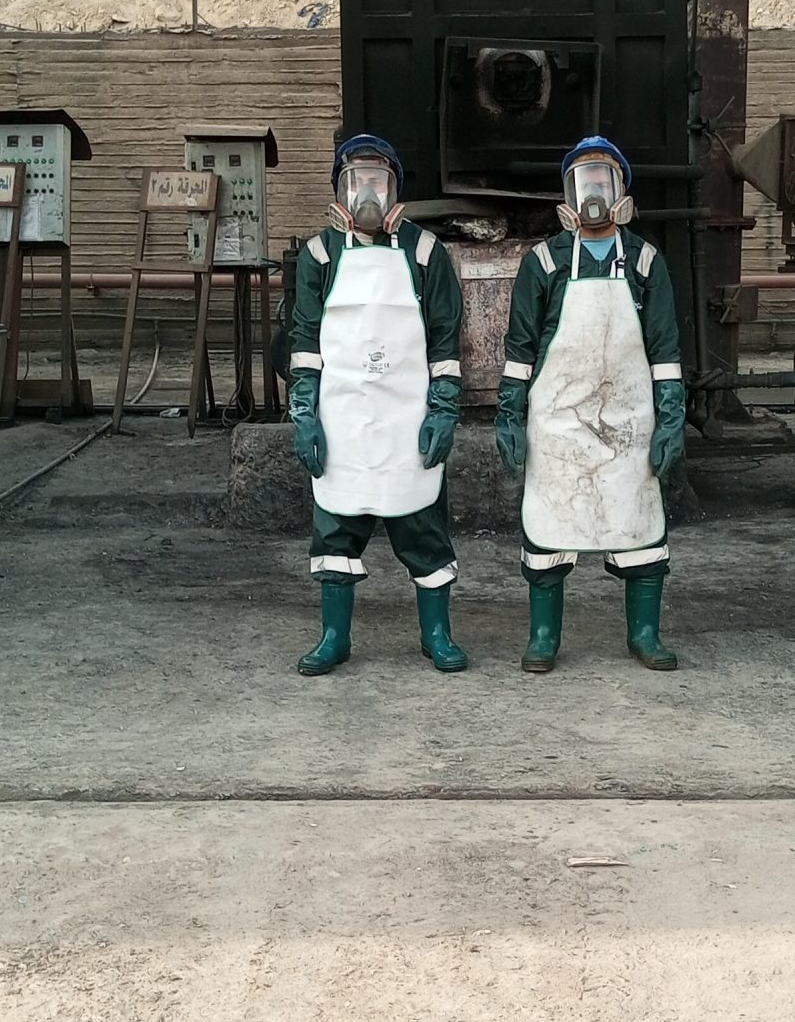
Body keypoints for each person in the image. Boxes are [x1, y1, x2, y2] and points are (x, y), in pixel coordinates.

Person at [493, 137, 685, 674]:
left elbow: (664, 350)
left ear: (622, 191)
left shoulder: (645, 261)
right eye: (582, 184)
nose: (593, 194)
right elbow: (520, 350)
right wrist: (509, 414)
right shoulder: (544, 261)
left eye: (603, 181)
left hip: (628, 421)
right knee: (549, 525)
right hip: (558, 421)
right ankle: (543, 636)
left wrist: (671, 418)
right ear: (567, 196)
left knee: (639, 524)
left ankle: (645, 634)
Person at [288, 134, 467, 676]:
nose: (367, 194)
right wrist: (304, 414)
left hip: (406, 416)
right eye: (356, 182)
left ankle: (436, 634)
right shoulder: (319, 255)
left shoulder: (425, 252)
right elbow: (305, 340)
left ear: (395, 191)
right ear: (339, 191)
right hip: (341, 416)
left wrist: (443, 410)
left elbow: (445, 341)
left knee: (422, 526)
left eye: (378, 182)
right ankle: (334, 637)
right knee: (335, 528)